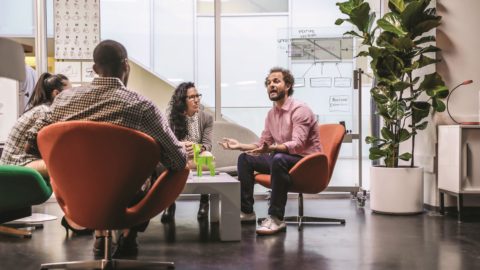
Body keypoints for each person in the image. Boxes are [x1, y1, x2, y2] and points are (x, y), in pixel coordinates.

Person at [24, 40, 187, 257]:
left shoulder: (63, 101)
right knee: (152, 166)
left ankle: (101, 235)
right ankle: (129, 234)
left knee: (90, 171)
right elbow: (178, 160)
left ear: (94, 69)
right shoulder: (141, 106)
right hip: (126, 195)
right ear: (126, 66)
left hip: (78, 196)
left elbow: (31, 143)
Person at [219, 67, 321, 236]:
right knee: (245, 159)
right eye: (268, 83)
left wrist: (272, 149)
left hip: (306, 161)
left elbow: (297, 144)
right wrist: (239, 146)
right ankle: (247, 212)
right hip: (282, 158)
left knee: (278, 158)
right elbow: (262, 145)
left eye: (276, 81)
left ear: (287, 85)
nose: (271, 85)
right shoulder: (271, 115)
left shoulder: (300, 110)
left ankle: (276, 218)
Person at [0, 72, 91, 236]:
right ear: (56, 93)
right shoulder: (44, 112)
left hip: (17, 162)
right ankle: (74, 219)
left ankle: (75, 217)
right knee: (70, 167)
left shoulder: (42, 109)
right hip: (19, 163)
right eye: (69, 92)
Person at [161, 82, 213, 223]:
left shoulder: (206, 118)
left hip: (196, 156)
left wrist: (197, 148)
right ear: (183, 100)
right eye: (191, 97)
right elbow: (167, 143)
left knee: (208, 158)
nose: (196, 100)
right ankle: (169, 203)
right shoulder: (172, 117)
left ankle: (204, 201)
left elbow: (208, 145)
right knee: (166, 161)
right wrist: (180, 145)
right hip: (178, 154)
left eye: (198, 96)